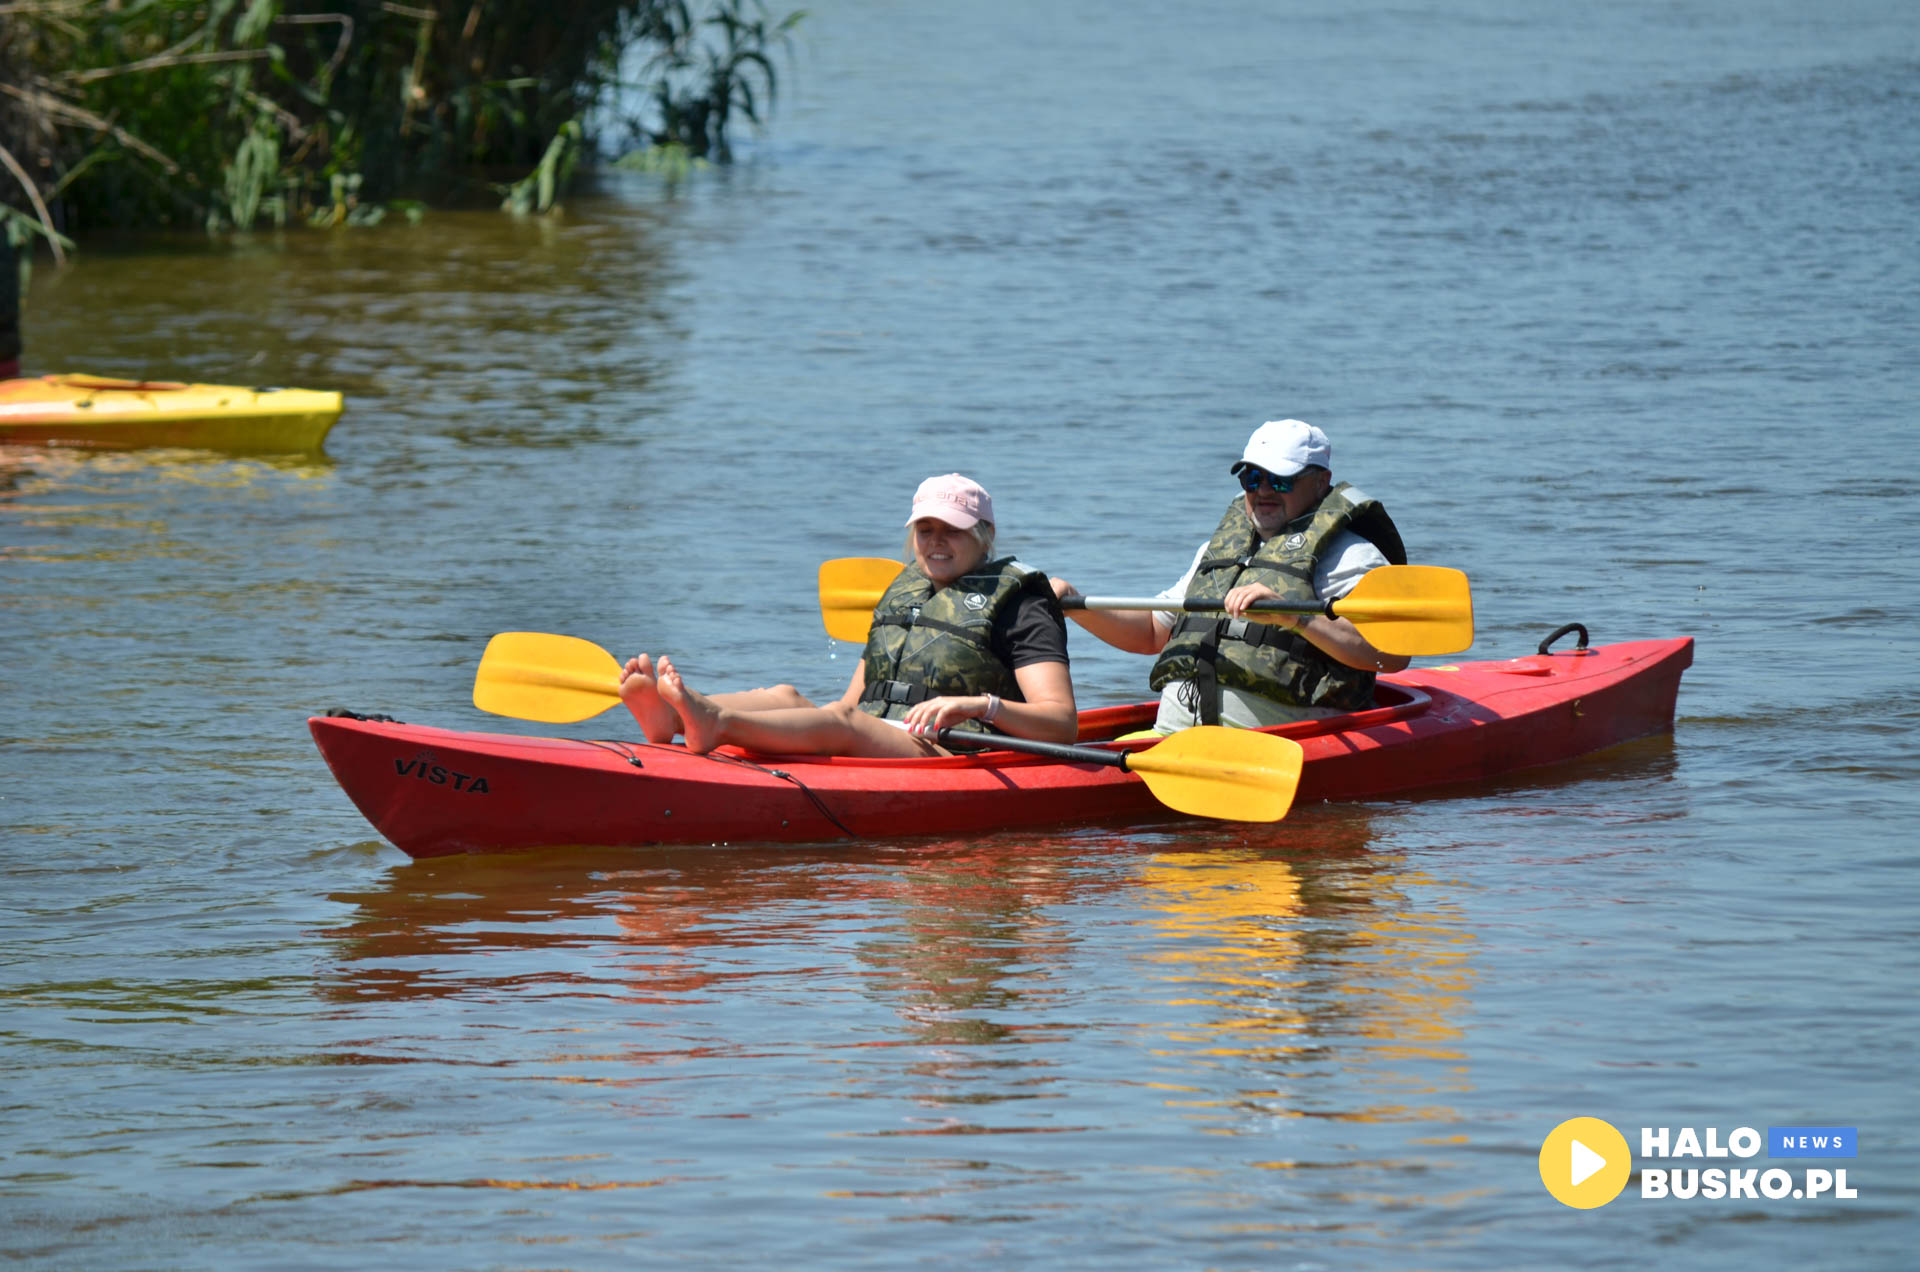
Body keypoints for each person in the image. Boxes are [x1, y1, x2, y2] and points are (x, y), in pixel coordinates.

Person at [621, 473, 1077, 758]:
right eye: (926, 529)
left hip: (954, 750)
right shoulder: (906, 592)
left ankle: (716, 723)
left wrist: (979, 706)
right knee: (787, 695)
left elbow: (1060, 724)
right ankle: (674, 719)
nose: (936, 542)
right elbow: (853, 700)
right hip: (881, 730)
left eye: (952, 531)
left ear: (985, 535)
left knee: (843, 723)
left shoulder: (1021, 605)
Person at [1051, 418, 1410, 733]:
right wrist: (1075, 604)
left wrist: (1298, 618)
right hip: (1175, 738)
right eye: (1252, 478)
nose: (1264, 491)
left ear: (1321, 482)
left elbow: (1391, 656)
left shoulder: (1350, 556)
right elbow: (1151, 632)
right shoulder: (1220, 551)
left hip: (1281, 747)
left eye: (1281, 480)